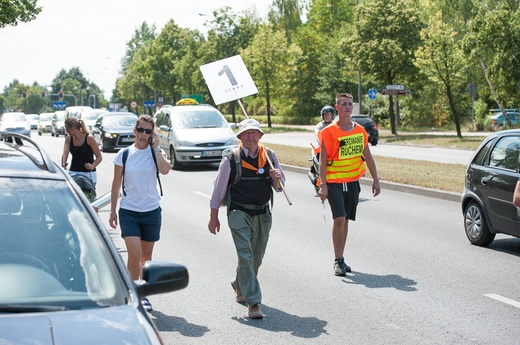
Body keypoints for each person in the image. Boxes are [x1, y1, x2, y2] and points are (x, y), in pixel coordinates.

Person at [208, 118, 285, 319]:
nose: (251, 137)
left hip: (262, 213)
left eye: (254, 133)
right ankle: (254, 303)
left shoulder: (269, 155)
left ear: (260, 136)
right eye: (246, 133)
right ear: (240, 137)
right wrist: (213, 217)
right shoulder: (231, 158)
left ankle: (238, 283)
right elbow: (218, 190)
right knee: (246, 255)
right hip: (238, 213)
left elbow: (279, 188)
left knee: (255, 258)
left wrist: (277, 177)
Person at [108, 114, 171, 312]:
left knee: (146, 257)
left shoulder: (155, 153)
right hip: (129, 211)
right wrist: (112, 211)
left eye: (148, 131)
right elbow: (116, 183)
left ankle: (144, 295)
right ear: (135, 131)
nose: (144, 134)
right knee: (134, 255)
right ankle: (132, 293)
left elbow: (166, 170)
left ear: (152, 134)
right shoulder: (124, 154)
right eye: (141, 130)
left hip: (151, 210)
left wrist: (157, 147)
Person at [318, 92, 381, 276]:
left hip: (352, 181)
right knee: (338, 218)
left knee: (345, 220)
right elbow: (322, 161)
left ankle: (342, 257)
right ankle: (337, 260)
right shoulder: (328, 132)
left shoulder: (360, 131)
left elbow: (367, 155)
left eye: (350, 104)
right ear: (337, 107)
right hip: (334, 182)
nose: (347, 106)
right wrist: (323, 184)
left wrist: (376, 180)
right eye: (343, 104)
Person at [61, 117, 102, 201]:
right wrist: (63, 163)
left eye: (67, 129)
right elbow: (65, 152)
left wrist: (92, 166)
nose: (67, 132)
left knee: (89, 198)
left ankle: (93, 213)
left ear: (73, 129)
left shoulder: (89, 138)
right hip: (74, 172)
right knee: (74, 199)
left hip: (88, 173)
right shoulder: (69, 138)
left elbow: (99, 157)